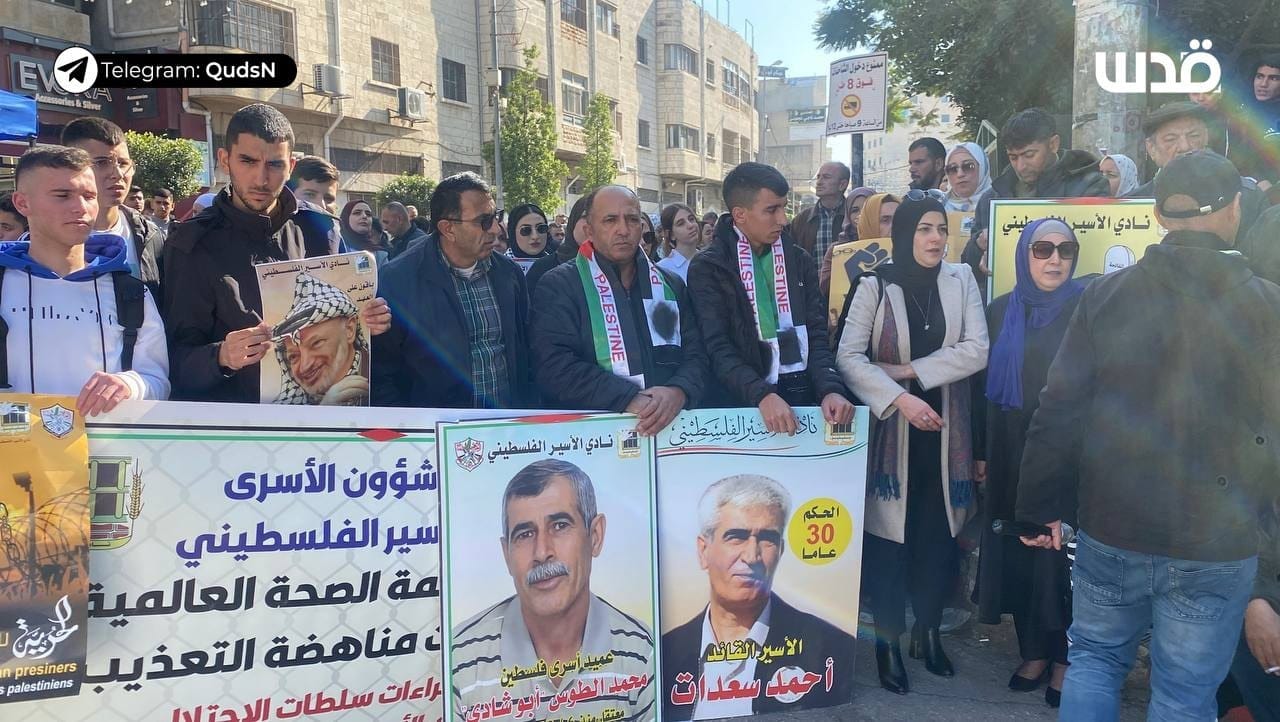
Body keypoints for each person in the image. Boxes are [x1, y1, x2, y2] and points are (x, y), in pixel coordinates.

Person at [1016, 151, 1280, 721]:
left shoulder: (1105, 296)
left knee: (1094, 661)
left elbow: (1058, 409)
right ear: (1235, 210)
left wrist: (1038, 509)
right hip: (1216, 540)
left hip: (1113, 526)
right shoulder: (1269, 307)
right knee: (1184, 694)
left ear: (1158, 216)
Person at [835, 191, 988, 695]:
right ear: (903, 234)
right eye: (924, 229)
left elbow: (977, 350)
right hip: (892, 438)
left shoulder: (961, 279)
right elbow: (849, 358)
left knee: (936, 542)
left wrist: (908, 372)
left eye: (941, 228)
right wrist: (901, 399)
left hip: (946, 438)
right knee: (889, 548)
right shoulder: (874, 285)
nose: (935, 238)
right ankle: (888, 644)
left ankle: (927, 632)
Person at [164, 103, 390, 403]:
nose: (261, 179)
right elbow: (172, 361)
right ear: (225, 160)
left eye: (274, 164)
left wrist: (372, 321)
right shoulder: (192, 244)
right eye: (248, 161)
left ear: (291, 166)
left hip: (321, 419)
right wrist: (221, 356)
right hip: (234, 422)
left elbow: (354, 330)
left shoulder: (320, 230)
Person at [973, 219, 1084, 709]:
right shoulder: (1001, 310)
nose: (1055, 259)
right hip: (1009, 452)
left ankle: (1065, 659)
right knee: (1019, 553)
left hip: (1065, 453)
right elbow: (981, 389)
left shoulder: (1087, 308)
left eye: (1065, 249)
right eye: (1042, 249)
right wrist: (981, 451)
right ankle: (1034, 651)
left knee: (1058, 557)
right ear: (1023, 255)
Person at [450, 459, 656, 721]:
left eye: (559, 525)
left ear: (595, 536)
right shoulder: (460, 661)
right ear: (506, 554)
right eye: (525, 534)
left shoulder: (641, 652)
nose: (541, 552)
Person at [661, 475, 857, 720]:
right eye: (736, 537)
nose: (751, 556)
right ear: (703, 551)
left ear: (781, 551)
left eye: (767, 539)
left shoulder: (831, 649)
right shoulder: (665, 652)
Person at [0, 147, 169, 411]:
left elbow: (158, 382)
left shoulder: (131, 293)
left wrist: (130, 385)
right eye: (62, 195)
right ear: (22, 203)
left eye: (89, 196)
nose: (81, 208)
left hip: (107, 439)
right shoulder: (4, 284)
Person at [688, 162, 854, 432]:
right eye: (771, 210)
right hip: (739, 409)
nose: (783, 220)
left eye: (784, 208)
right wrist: (762, 395)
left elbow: (816, 334)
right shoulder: (709, 267)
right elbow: (717, 346)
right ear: (740, 214)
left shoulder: (798, 259)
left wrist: (830, 388)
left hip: (802, 400)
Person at [530, 186, 708, 435]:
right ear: (589, 230)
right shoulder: (560, 285)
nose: (623, 230)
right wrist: (626, 398)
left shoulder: (670, 284)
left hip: (671, 430)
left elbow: (697, 353)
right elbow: (554, 366)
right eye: (610, 220)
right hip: (594, 435)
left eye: (632, 220)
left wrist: (679, 390)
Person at [373, 172, 535, 409]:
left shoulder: (509, 273)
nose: (496, 229)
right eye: (483, 221)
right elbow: (381, 372)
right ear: (448, 229)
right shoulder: (397, 280)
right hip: (436, 426)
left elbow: (525, 352)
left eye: (496, 216)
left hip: (507, 423)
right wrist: (410, 426)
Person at [961, 108, 1109, 295]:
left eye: (1029, 155)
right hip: (1011, 302)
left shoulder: (1089, 186)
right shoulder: (993, 198)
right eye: (1013, 157)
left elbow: (1096, 249)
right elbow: (968, 269)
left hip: (1074, 302)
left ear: (1053, 144)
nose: (1021, 166)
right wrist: (979, 246)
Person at [1126, 101, 1267, 244]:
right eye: (1171, 139)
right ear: (1151, 148)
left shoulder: (1246, 196)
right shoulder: (1130, 204)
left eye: (1193, 136)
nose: (1184, 147)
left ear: (1206, 138)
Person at [60, 117, 166, 296]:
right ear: (69, 168)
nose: (117, 174)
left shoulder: (151, 235)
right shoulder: (44, 238)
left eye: (123, 164)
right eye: (101, 163)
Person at [271, 272, 369, 406]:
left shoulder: (380, 373)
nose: (305, 366)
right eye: (293, 356)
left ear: (349, 330)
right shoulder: (286, 406)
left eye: (316, 343)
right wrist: (325, 408)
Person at [819, 192, 897, 299]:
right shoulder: (839, 252)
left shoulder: (916, 251)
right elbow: (825, 292)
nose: (894, 226)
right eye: (885, 220)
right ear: (869, 219)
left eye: (899, 219)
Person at [527, 192, 594, 298]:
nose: (594, 224)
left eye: (607, 220)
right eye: (586, 216)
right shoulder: (544, 268)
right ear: (574, 221)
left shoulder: (619, 267)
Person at [1231, 55, 1280, 191]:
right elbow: (1236, 158)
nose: (1263, 84)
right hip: (1252, 187)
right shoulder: (1240, 113)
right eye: (1259, 76)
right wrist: (1258, 181)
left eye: (1273, 78)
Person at [790, 161, 851, 260]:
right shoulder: (802, 219)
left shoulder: (853, 217)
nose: (819, 182)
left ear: (842, 184)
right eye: (818, 177)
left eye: (826, 177)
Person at [339, 200, 393, 266]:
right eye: (357, 213)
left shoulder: (379, 255)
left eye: (368, 214)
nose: (364, 216)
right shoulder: (335, 248)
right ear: (346, 218)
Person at [942, 143, 992, 212]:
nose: (960, 174)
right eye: (952, 169)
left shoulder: (1000, 204)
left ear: (982, 168)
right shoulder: (938, 207)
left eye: (968, 166)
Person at [657, 203, 700, 283]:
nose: (690, 225)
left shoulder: (710, 259)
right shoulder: (662, 269)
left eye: (691, 219)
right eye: (681, 224)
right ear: (671, 235)